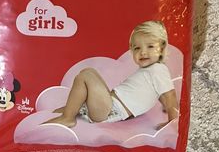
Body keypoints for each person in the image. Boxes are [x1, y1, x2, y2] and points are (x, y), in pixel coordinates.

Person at [44, 21, 179, 129]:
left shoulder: (158, 70)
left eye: (150, 46)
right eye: (137, 48)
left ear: (162, 48)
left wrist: (172, 121)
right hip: (109, 104)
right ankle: (75, 108)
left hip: (111, 110)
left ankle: (68, 118)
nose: (143, 52)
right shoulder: (152, 71)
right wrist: (165, 107)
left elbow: (169, 95)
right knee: (90, 74)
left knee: (86, 74)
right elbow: (160, 92)